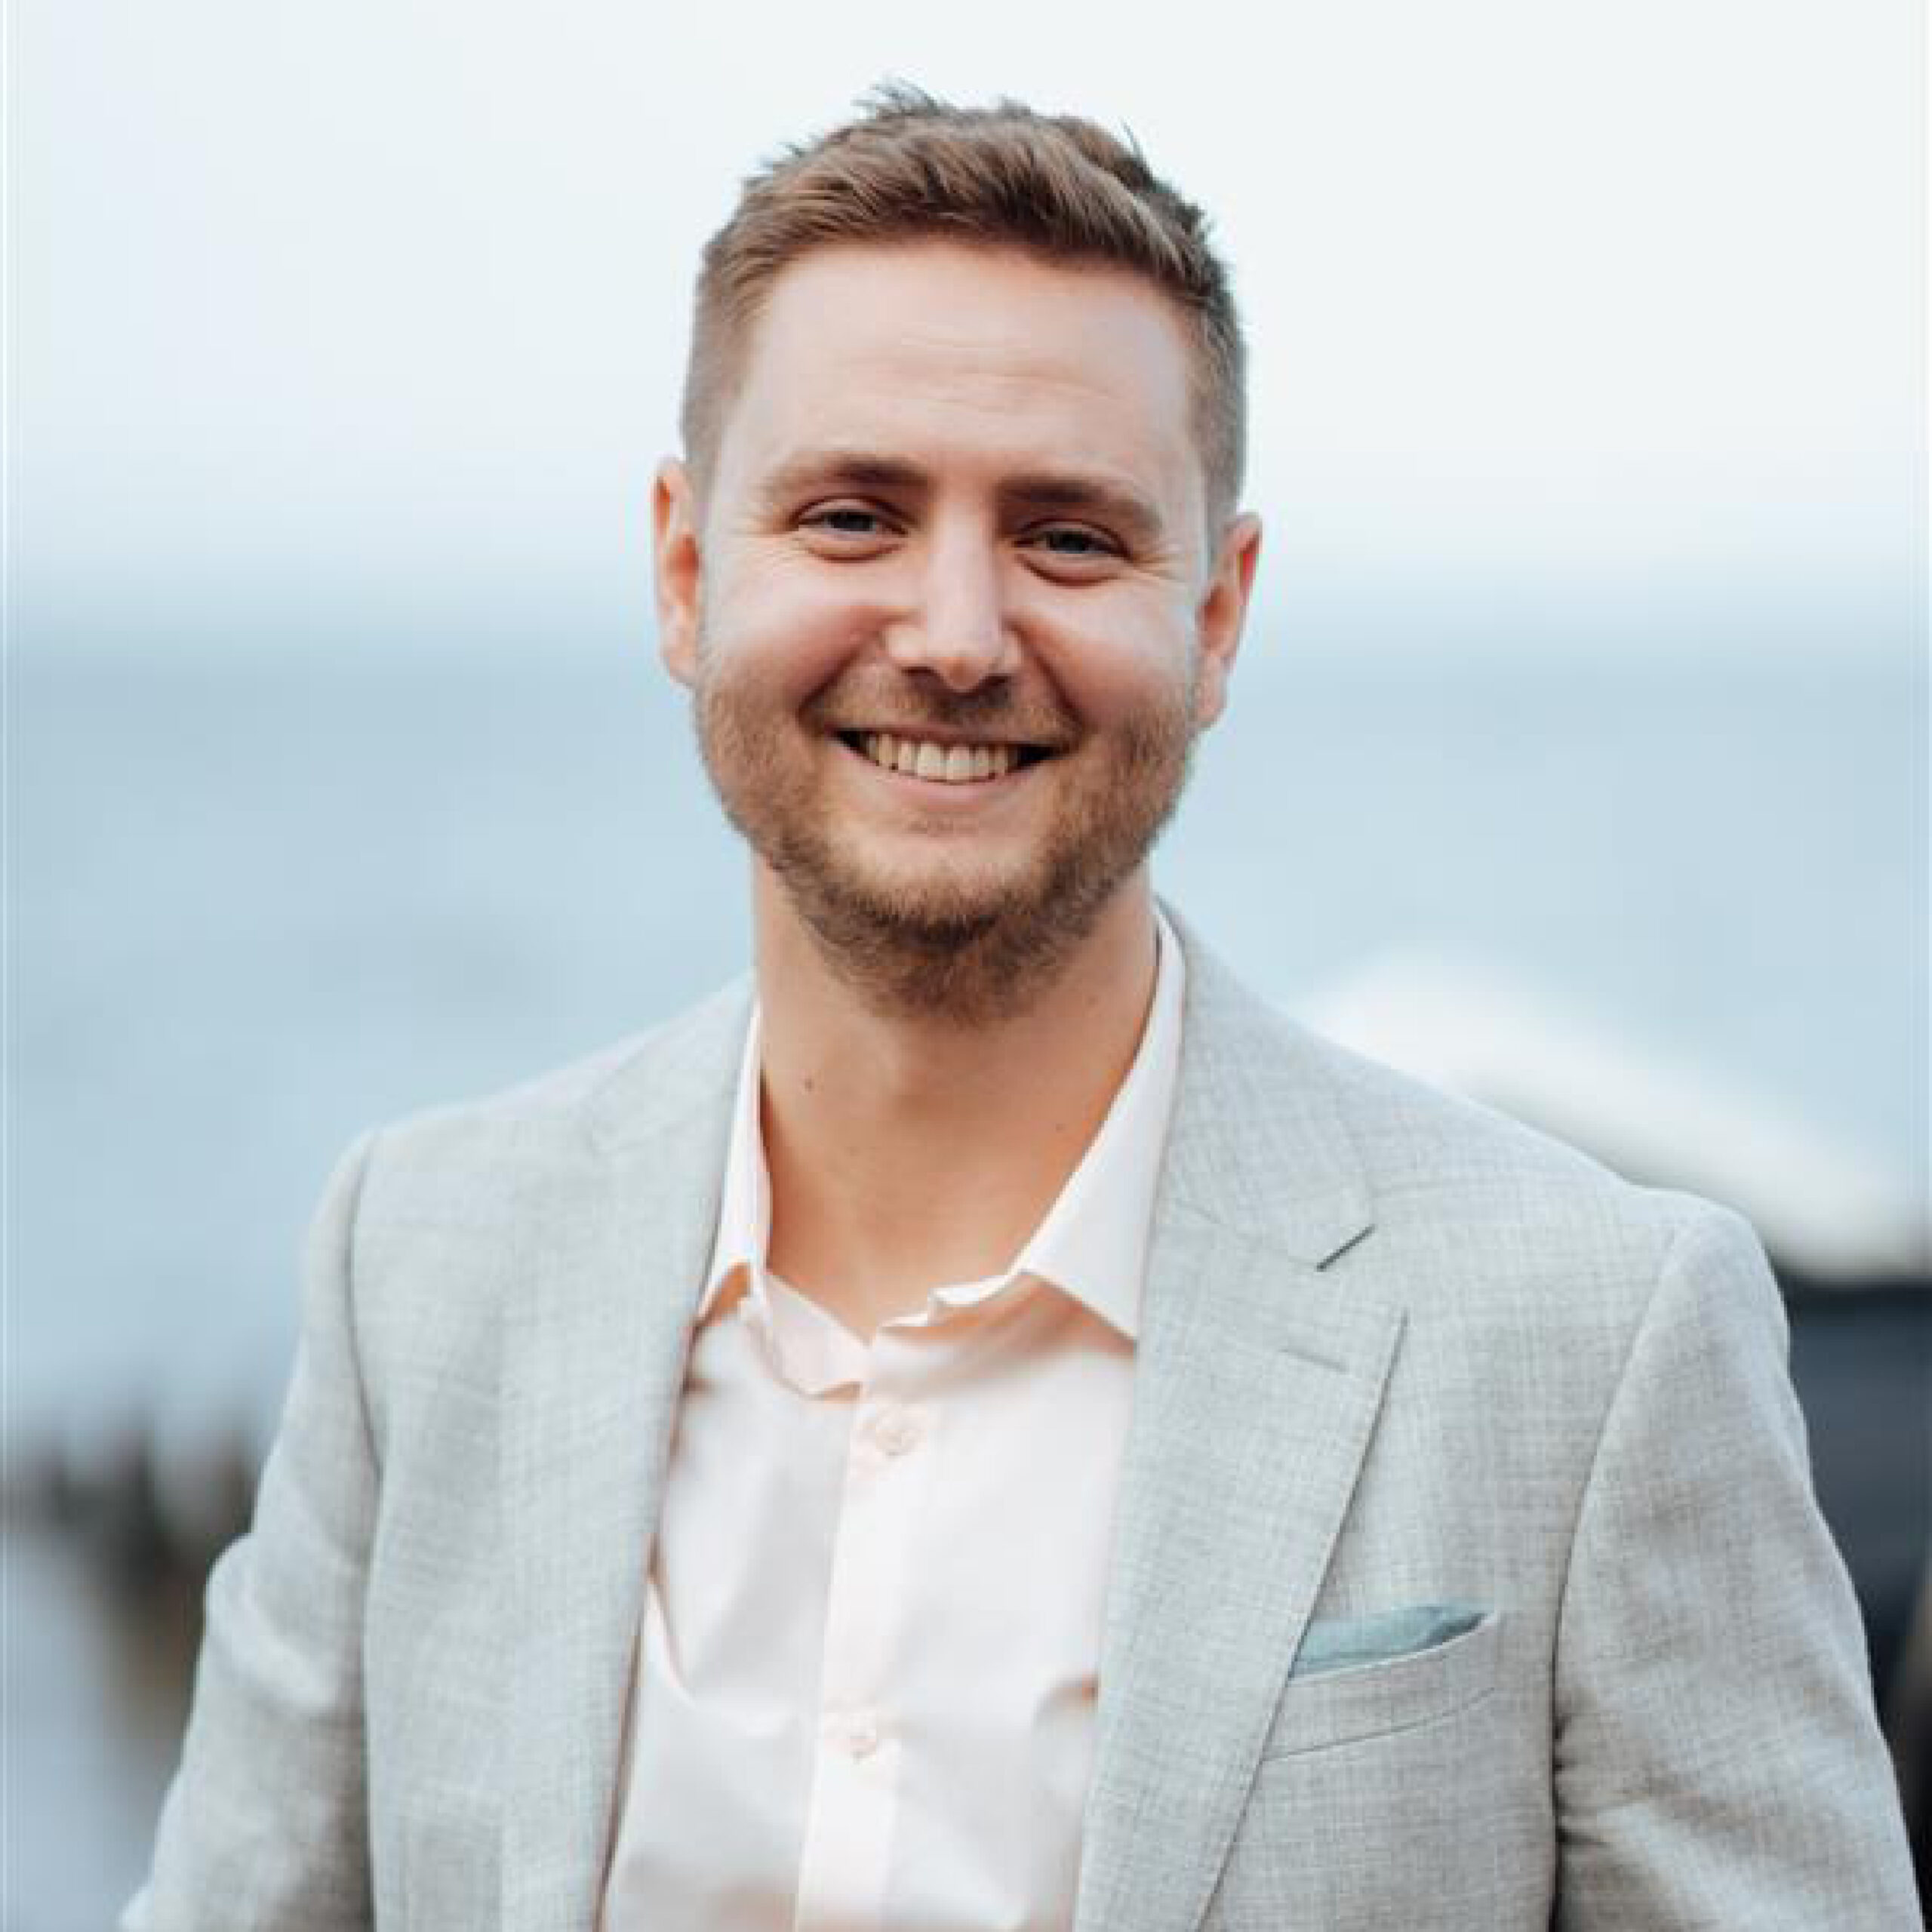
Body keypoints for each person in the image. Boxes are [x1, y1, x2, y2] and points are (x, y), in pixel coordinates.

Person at [126, 86, 1918, 1930]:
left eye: (1067, 537)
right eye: (851, 516)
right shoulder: (421, 1262)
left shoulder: (1594, 1332)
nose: (957, 634)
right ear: (682, 570)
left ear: (1214, 616)